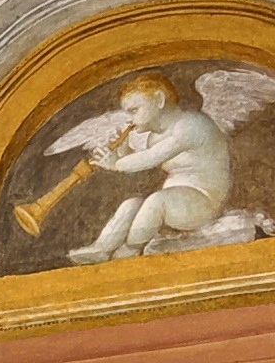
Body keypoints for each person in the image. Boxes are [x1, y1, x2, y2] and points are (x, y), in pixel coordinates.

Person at [71, 78, 237, 263]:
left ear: (159, 100)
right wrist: (123, 149)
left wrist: (116, 163)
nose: (129, 119)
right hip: (177, 200)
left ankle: (131, 249)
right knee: (131, 204)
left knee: (156, 202)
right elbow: (141, 160)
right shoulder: (155, 137)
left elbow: (151, 158)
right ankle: (102, 248)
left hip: (204, 201)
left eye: (134, 110)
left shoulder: (190, 125)